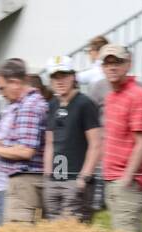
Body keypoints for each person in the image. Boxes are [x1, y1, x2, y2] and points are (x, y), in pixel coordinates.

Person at [0, 58, 48, 224]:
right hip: (20, 182)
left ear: (14, 83)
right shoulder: (22, 105)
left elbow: (26, 150)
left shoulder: (28, 107)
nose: (2, 94)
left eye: (2, 88)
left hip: (24, 183)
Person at [99, 43, 142, 232]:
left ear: (128, 64)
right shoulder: (111, 96)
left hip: (128, 182)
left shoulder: (137, 95)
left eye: (117, 62)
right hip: (112, 179)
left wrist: (126, 178)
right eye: (107, 63)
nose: (112, 67)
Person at [42, 55, 102, 221]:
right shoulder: (52, 104)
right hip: (54, 179)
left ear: (73, 76)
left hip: (75, 180)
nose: (59, 81)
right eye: (55, 77)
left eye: (64, 75)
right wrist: (47, 176)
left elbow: (96, 144)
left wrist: (83, 177)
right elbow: (49, 142)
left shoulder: (85, 103)